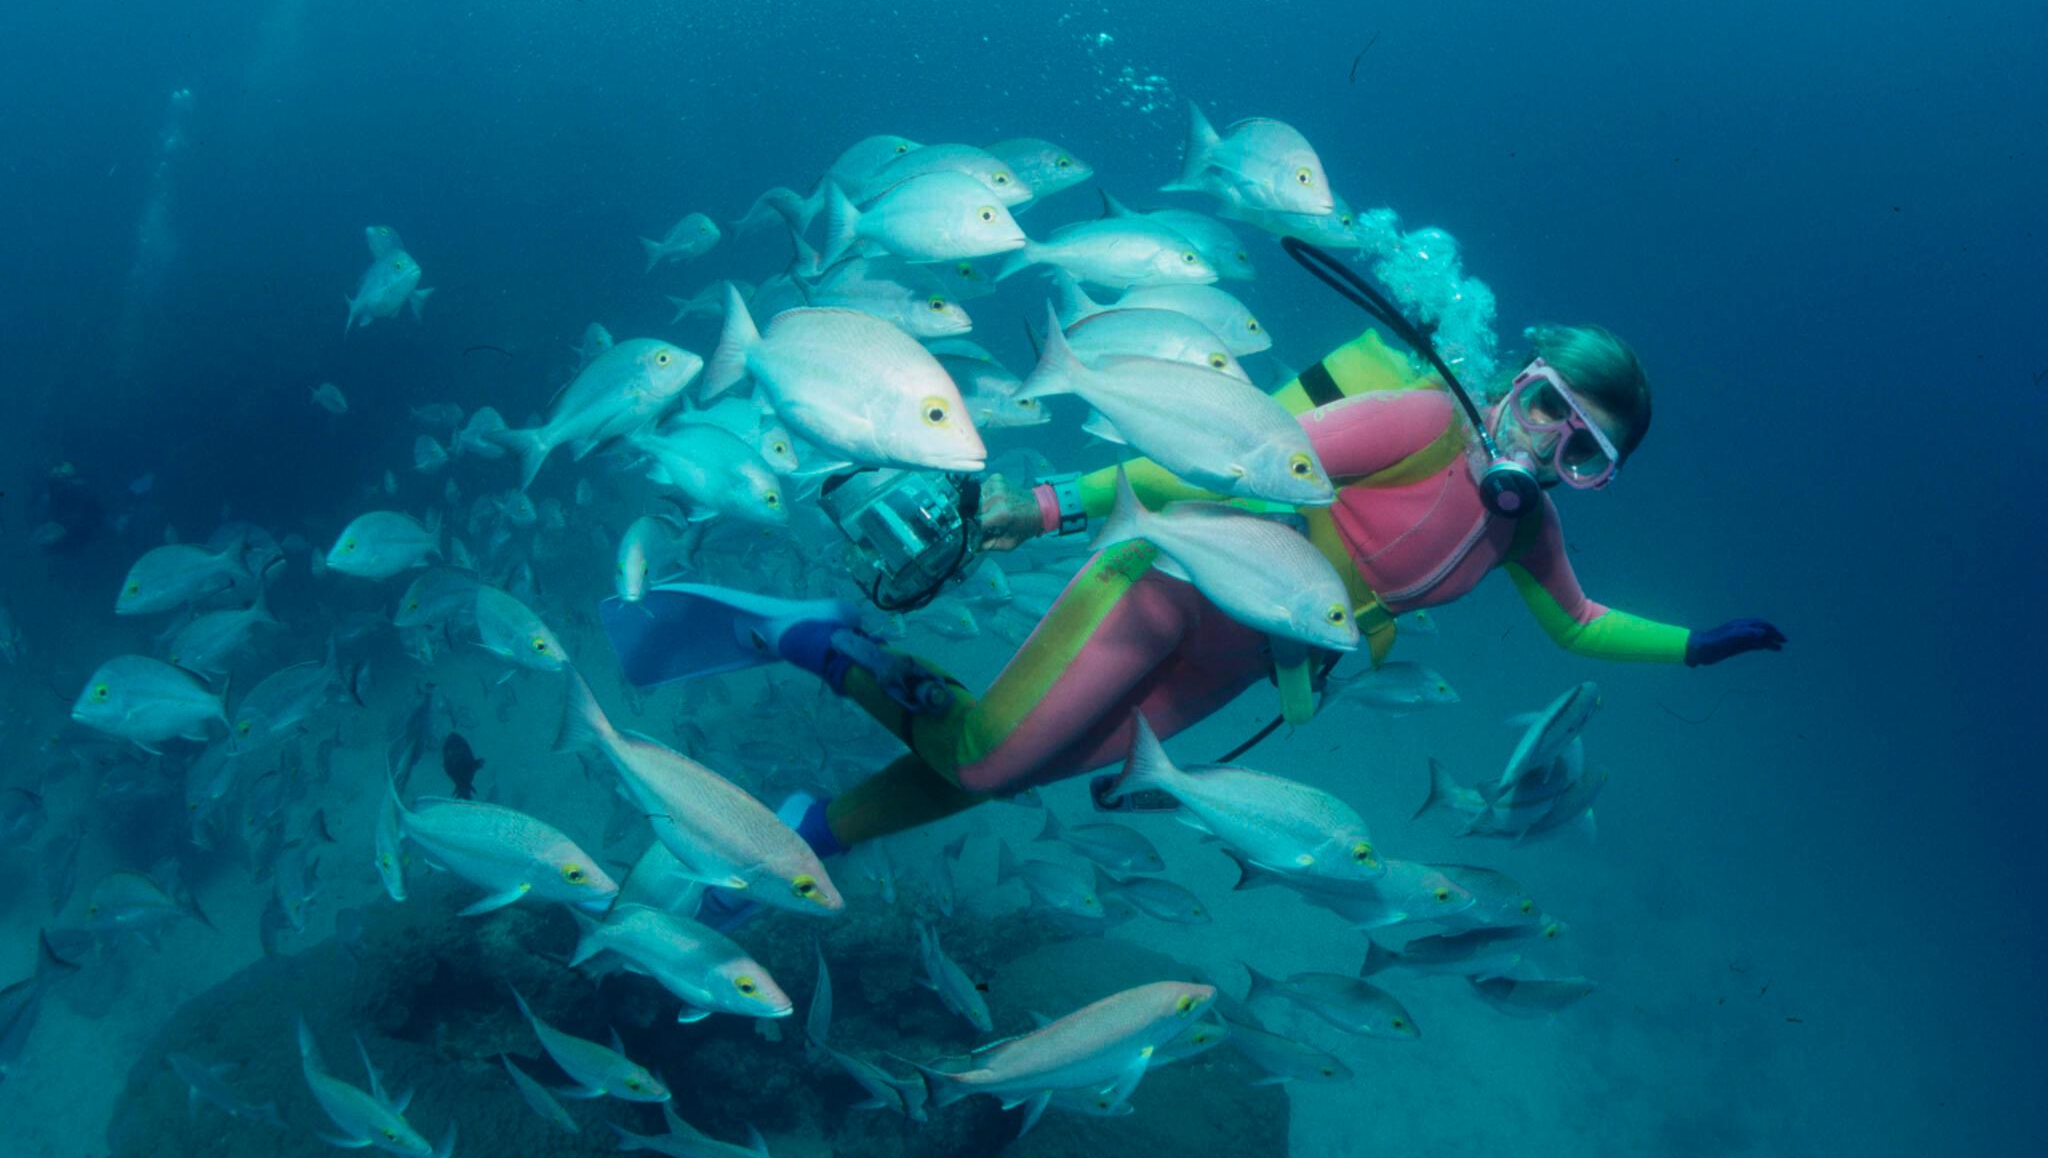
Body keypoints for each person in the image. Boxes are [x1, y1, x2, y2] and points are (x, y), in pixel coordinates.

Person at [616, 321, 1784, 866]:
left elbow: (1577, 621)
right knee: (980, 756)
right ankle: (820, 641)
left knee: (1012, 772)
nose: (1545, 448)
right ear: (1511, 382)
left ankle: (807, 838)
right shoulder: (1424, 422)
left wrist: (1696, 647)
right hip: (1169, 580)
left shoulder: (1526, 538)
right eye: (1545, 408)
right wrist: (1049, 505)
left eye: (1583, 451)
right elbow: (1230, 454)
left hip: (1239, 666)